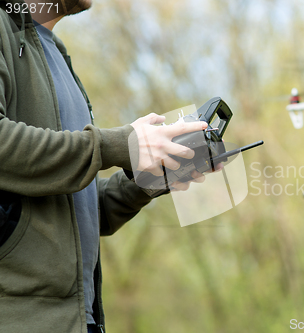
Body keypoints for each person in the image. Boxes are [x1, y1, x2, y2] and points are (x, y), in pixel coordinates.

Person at [0, 0, 208, 332]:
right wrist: (120, 144)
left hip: (83, 319)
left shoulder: (59, 56)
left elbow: (73, 209)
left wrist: (147, 178)